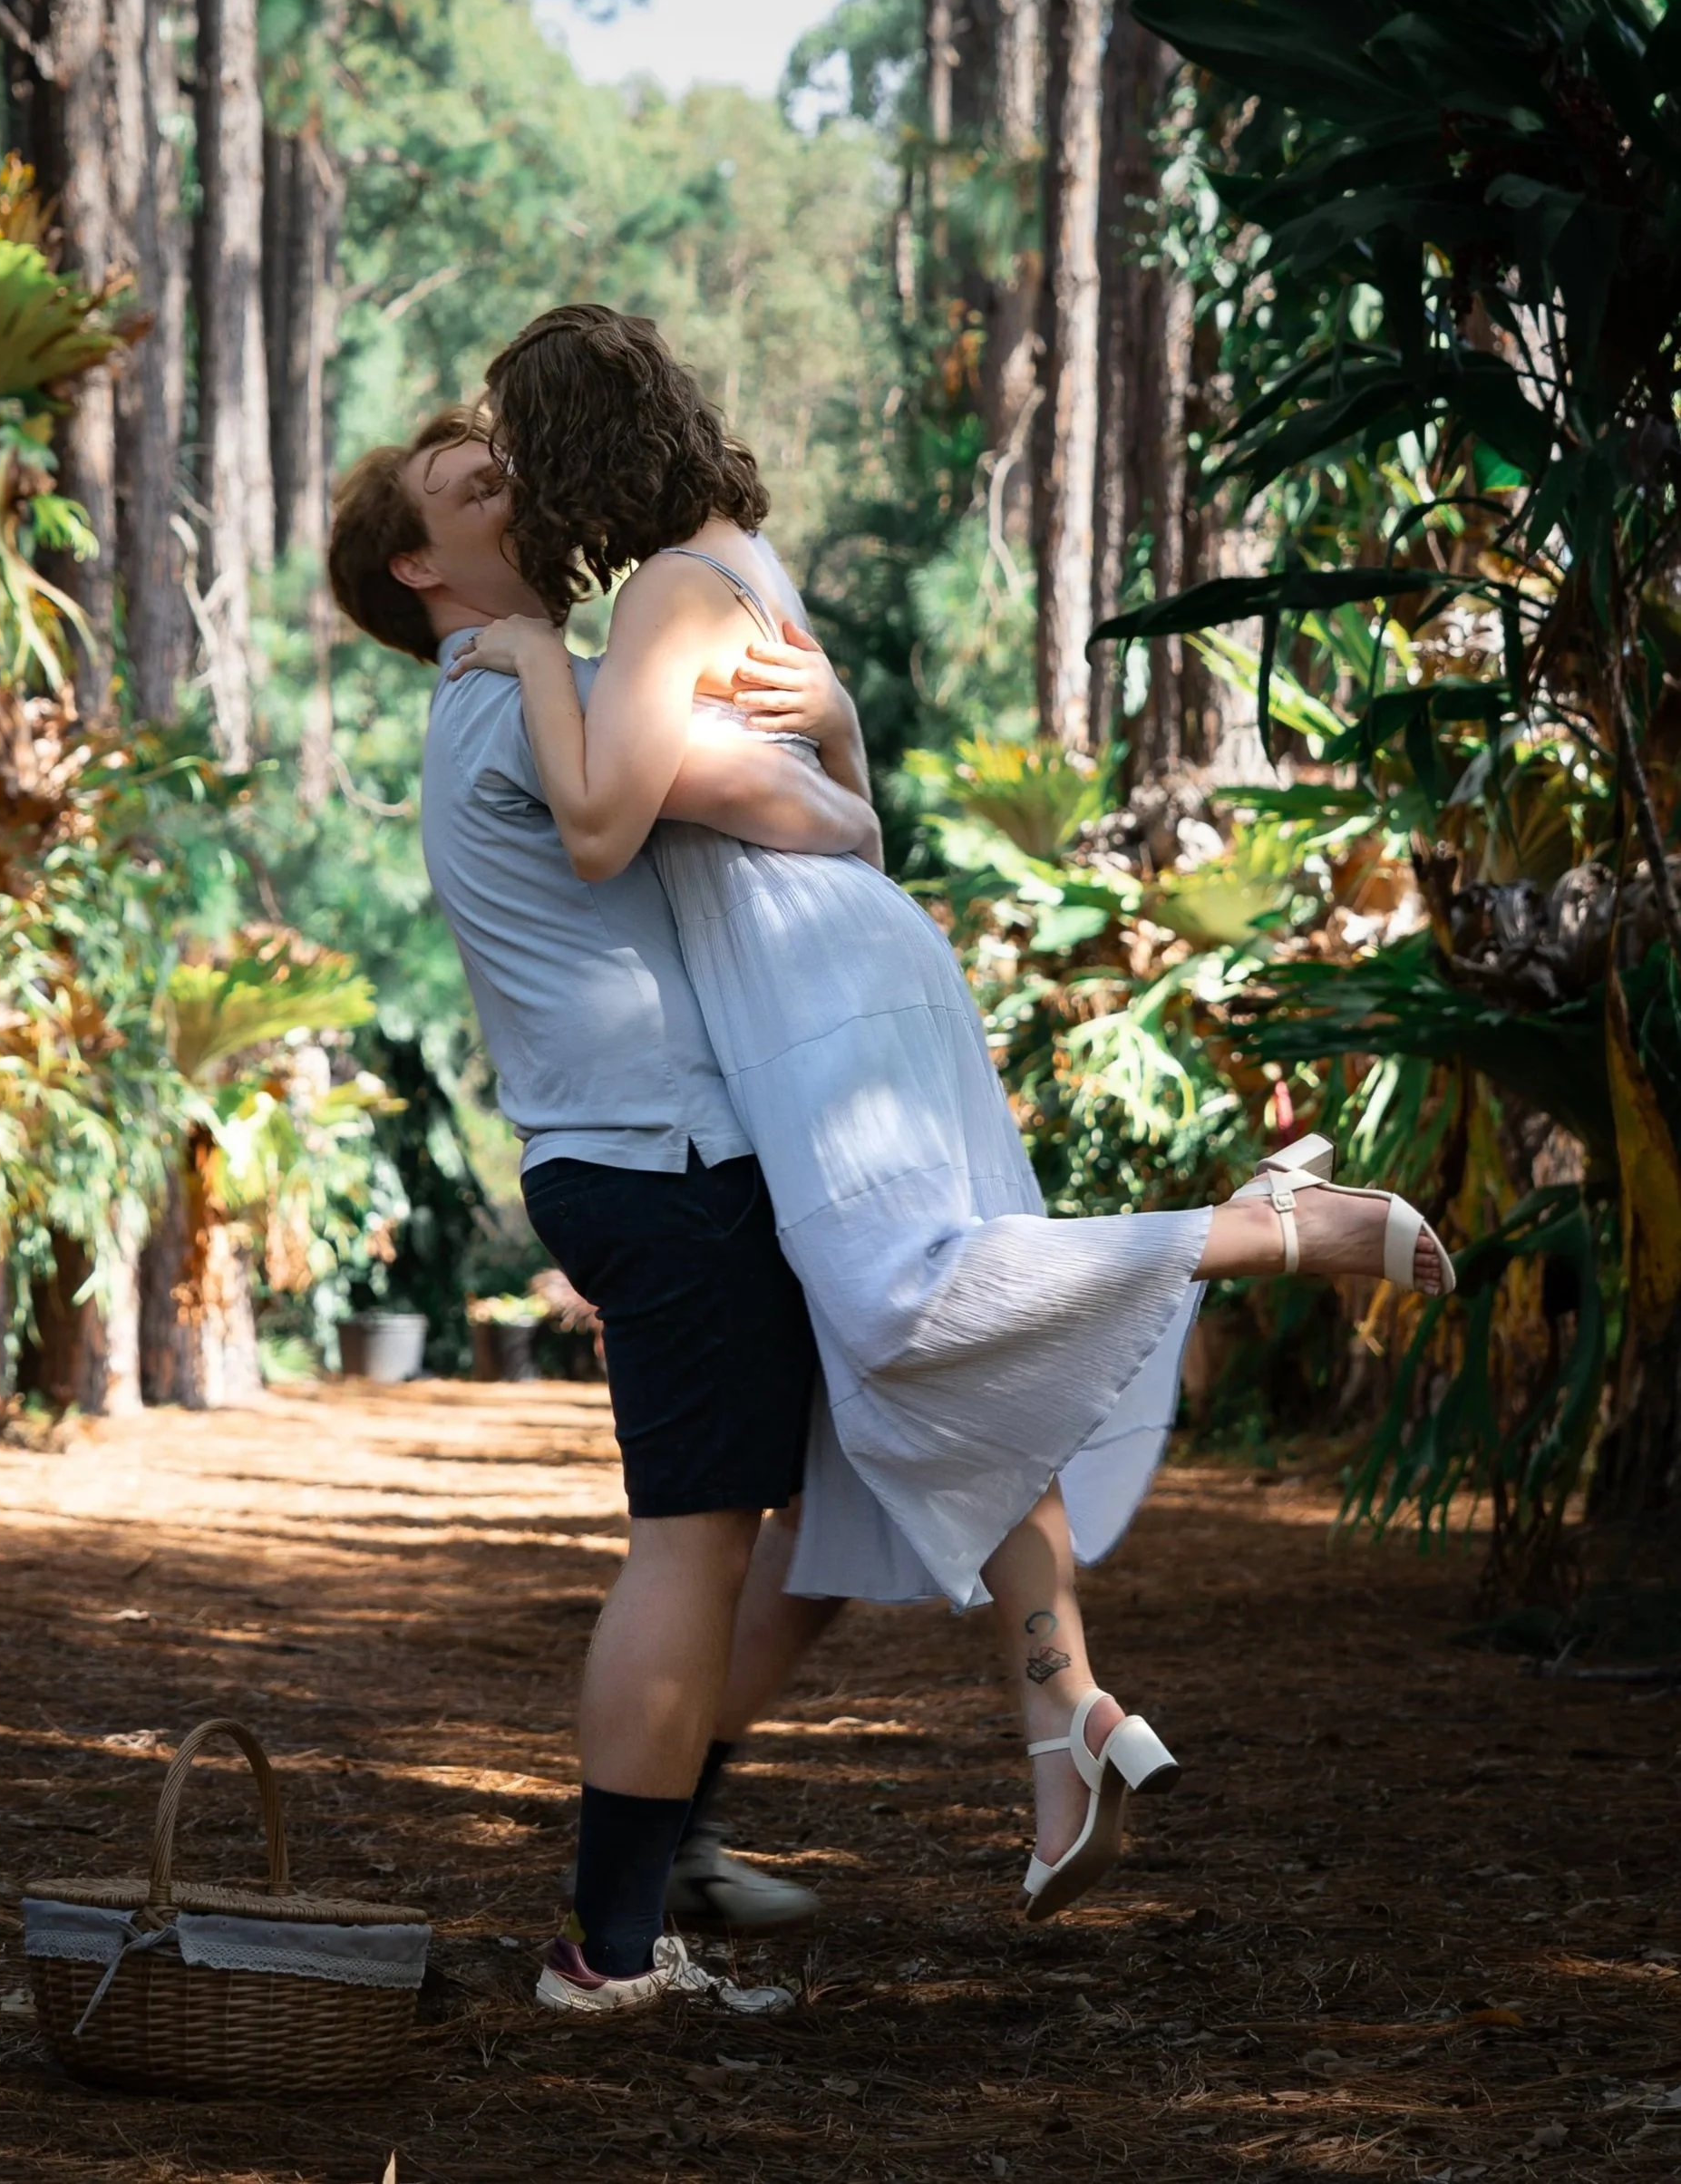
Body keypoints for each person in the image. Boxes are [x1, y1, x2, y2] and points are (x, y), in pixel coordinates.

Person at [452, 302, 1457, 1926]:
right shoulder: (741, 561)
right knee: (914, 1358)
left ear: (570, 456)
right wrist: (839, 733)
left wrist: (520, 659)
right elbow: (830, 798)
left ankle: (1265, 1228)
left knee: (914, 1295)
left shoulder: (657, 593)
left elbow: (593, 823)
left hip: (806, 988)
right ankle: (1065, 1720)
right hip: (859, 952)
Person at [327, 407, 877, 2016]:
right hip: (667, 1163)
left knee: (823, 1520)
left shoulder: (528, 690)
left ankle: (666, 1850)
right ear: (422, 563)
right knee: (693, 1546)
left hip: (664, 1158)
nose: (529, 481)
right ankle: (612, 1945)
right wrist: (834, 731)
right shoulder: (520, 699)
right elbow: (830, 827)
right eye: (482, 485)